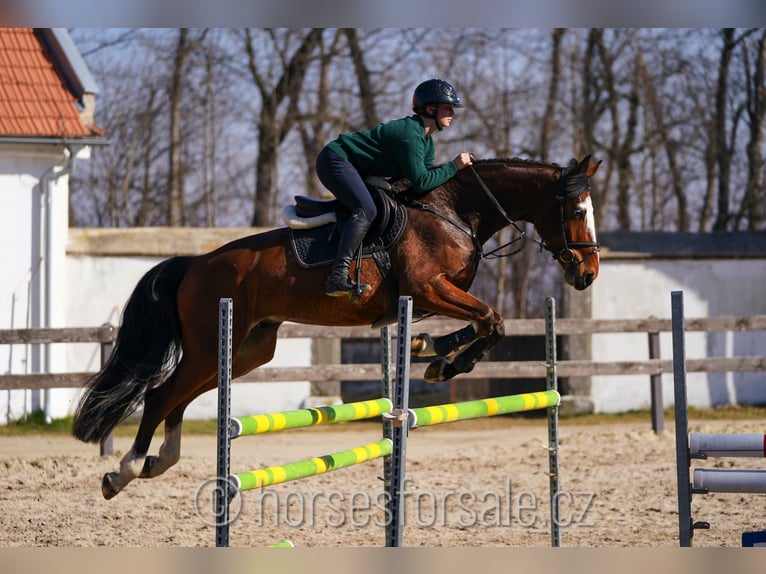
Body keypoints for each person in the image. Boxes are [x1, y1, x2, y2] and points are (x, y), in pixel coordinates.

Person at [316, 78, 473, 299]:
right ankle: (337, 276)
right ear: (430, 108)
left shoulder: (426, 142)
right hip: (336, 160)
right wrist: (454, 166)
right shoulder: (410, 135)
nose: (452, 113)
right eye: (448, 107)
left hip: (354, 166)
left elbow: (425, 181)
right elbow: (422, 181)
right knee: (366, 210)